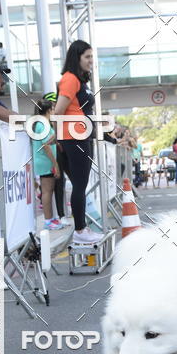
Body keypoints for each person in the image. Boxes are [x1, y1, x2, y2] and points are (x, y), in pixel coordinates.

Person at [54, 39, 103, 244]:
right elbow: (58, 111)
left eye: (92, 56)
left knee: (79, 185)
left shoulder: (79, 80)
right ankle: (81, 230)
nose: (91, 60)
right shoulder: (70, 78)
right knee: (80, 186)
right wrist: (59, 138)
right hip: (74, 138)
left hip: (78, 137)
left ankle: (81, 229)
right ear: (77, 58)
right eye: (87, 57)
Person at [32, 99, 65, 229]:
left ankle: (50, 218)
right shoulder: (42, 124)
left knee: (48, 191)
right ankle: (48, 221)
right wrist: (55, 164)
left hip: (45, 160)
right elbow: (45, 146)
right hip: (45, 161)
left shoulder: (42, 123)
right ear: (49, 110)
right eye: (53, 109)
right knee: (47, 192)